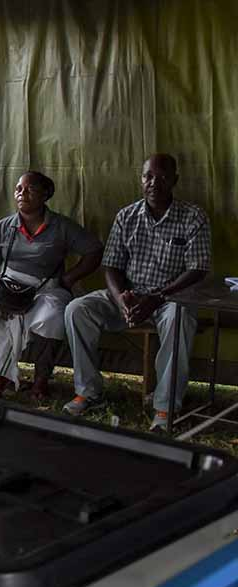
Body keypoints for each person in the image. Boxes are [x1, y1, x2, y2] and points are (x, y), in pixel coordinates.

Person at [63, 154, 211, 431]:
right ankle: (89, 392)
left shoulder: (193, 217)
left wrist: (155, 298)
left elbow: (197, 269)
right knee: (77, 309)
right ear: (141, 179)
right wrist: (121, 299)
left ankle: (165, 408)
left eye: (162, 176)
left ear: (175, 180)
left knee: (178, 317)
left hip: (169, 299)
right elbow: (111, 266)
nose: (154, 182)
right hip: (130, 296)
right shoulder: (127, 215)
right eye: (148, 176)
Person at [0, 172, 102, 400]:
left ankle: (41, 378)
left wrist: (68, 279)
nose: (22, 193)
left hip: (45, 290)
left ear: (46, 194)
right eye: (18, 189)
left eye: (30, 189)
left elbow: (94, 250)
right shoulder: (4, 227)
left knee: (52, 316)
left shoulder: (61, 227)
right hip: (5, 288)